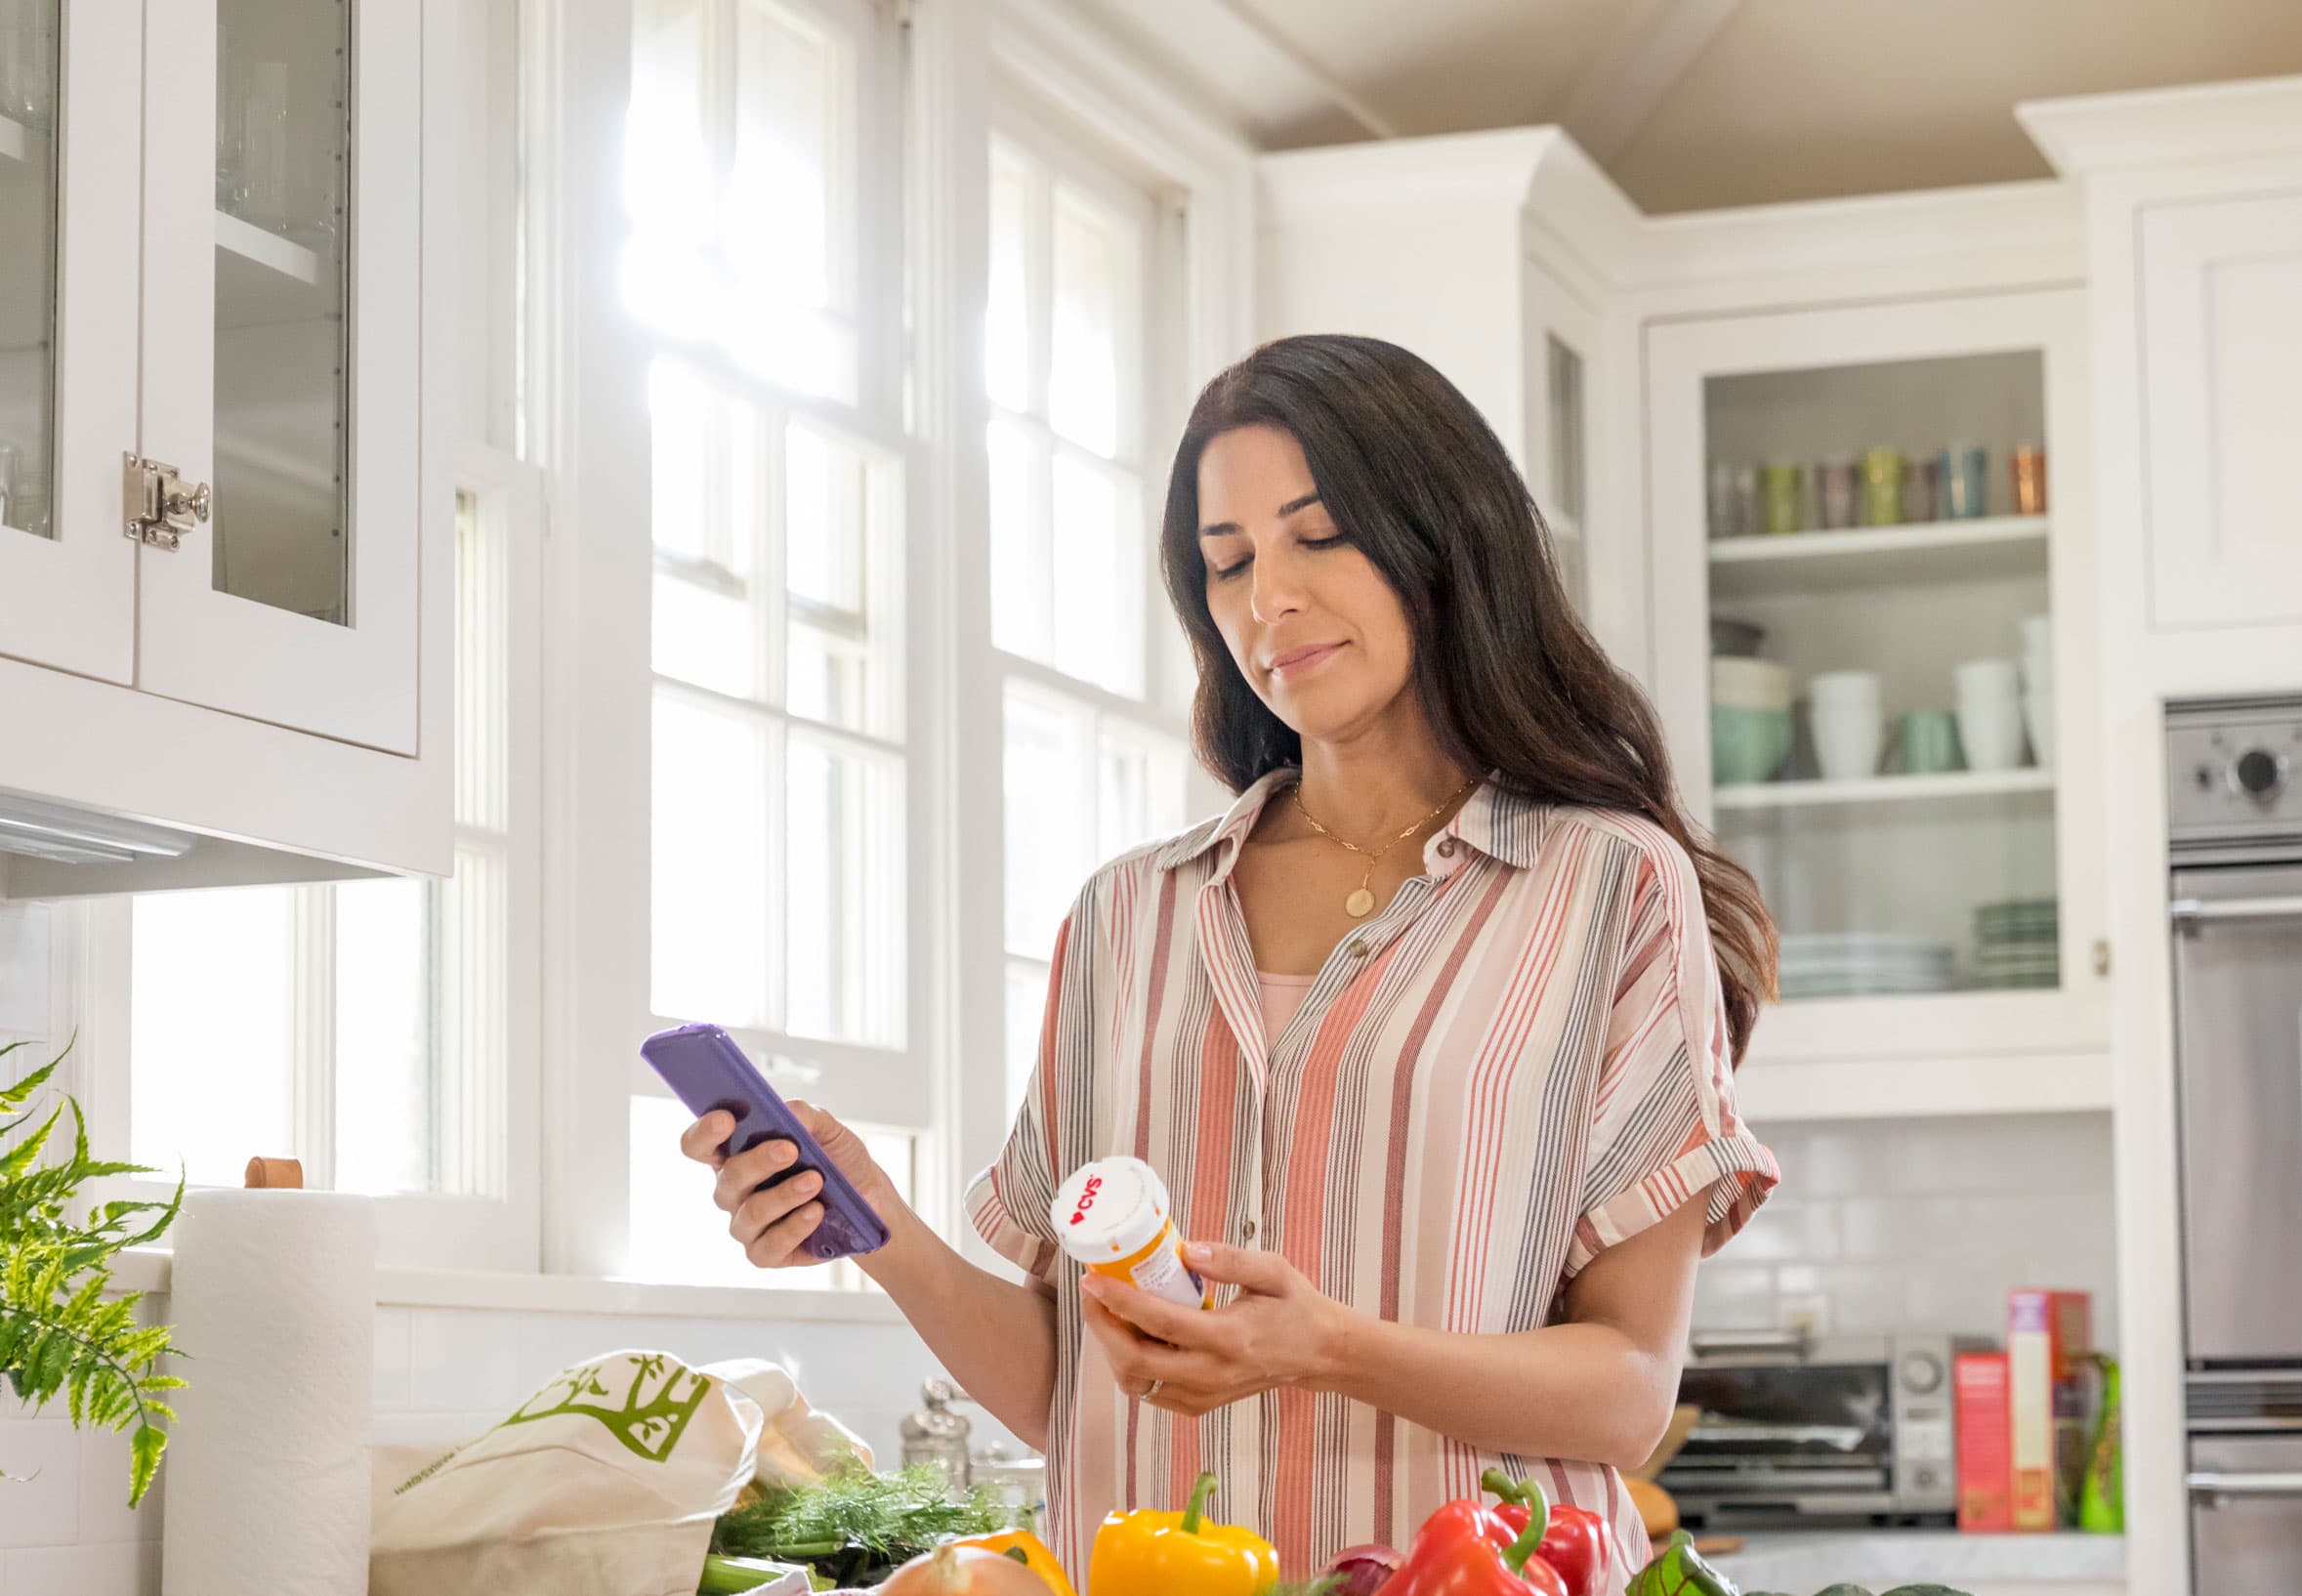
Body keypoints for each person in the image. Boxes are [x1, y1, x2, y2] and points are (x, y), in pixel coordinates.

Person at [680, 333, 1779, 1593]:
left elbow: (1630, 1393)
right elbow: (1075, 1393)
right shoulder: (1126, 920)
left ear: (1444, 539)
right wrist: (872, 1225)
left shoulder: (1607, 889)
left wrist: (1325, 1348)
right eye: (1229, 561)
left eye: (1320, 536)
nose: (1271, 598)